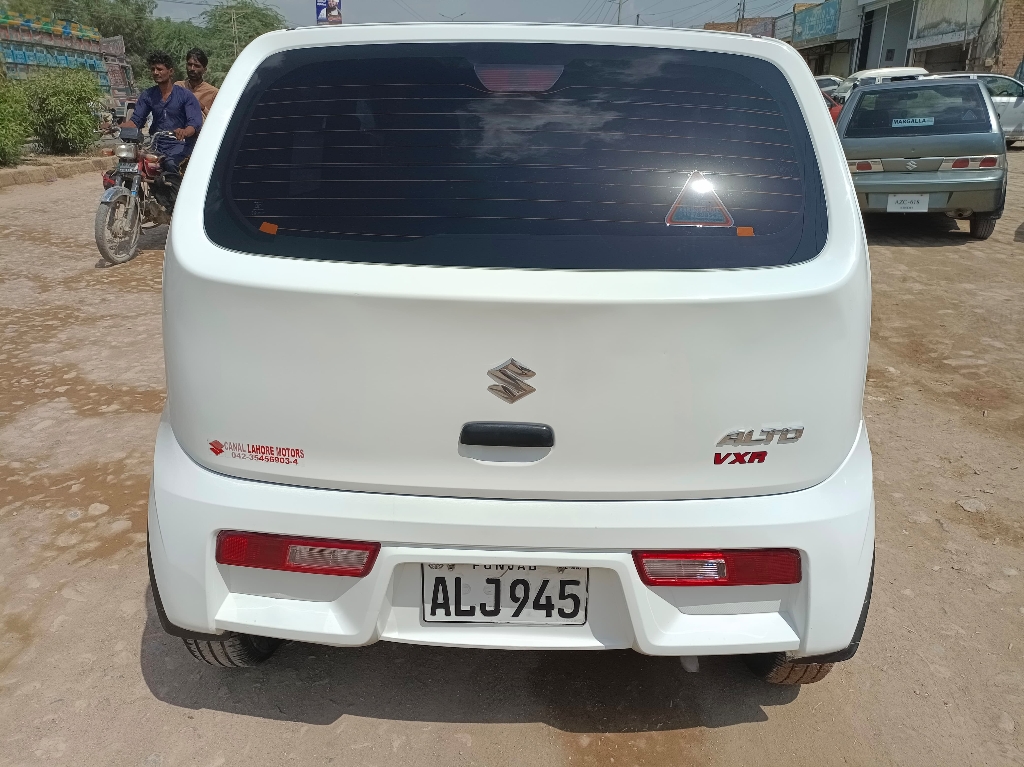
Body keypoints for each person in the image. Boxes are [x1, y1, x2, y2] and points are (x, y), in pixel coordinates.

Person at [123, 51, 202, 174]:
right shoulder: (148, 95)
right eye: (153, 69)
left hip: (181, 145)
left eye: (159, 69)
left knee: (170, 163)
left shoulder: (185, 96)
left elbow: (194, 123)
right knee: (132, 163)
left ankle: (175, 187)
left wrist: (184, 132)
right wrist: (115, 127)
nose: (155, 72)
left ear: (170, 71)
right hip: (156, 145)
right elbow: (136, 121)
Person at [175, 47, 219, 119]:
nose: (192, 69)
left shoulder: (213, 93)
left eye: (197, 66)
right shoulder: (178, 87)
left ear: (204, 70)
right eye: (190, 64)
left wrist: (202, 107)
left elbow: (217, 119)